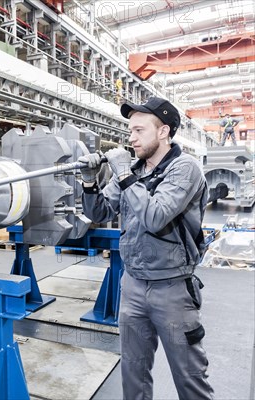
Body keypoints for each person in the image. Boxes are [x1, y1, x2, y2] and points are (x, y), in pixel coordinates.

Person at [78, 97, 214, 399]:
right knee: (133, 373)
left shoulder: (185, 169)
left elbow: (155, 217)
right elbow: (99, 213)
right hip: (133, 285)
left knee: (190, 378)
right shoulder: (135, 170)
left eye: (139, 130)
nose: (131, 137)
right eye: (130, 131)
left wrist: (124, 174)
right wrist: (89, 183)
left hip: (173, 289)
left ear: (163, 131)